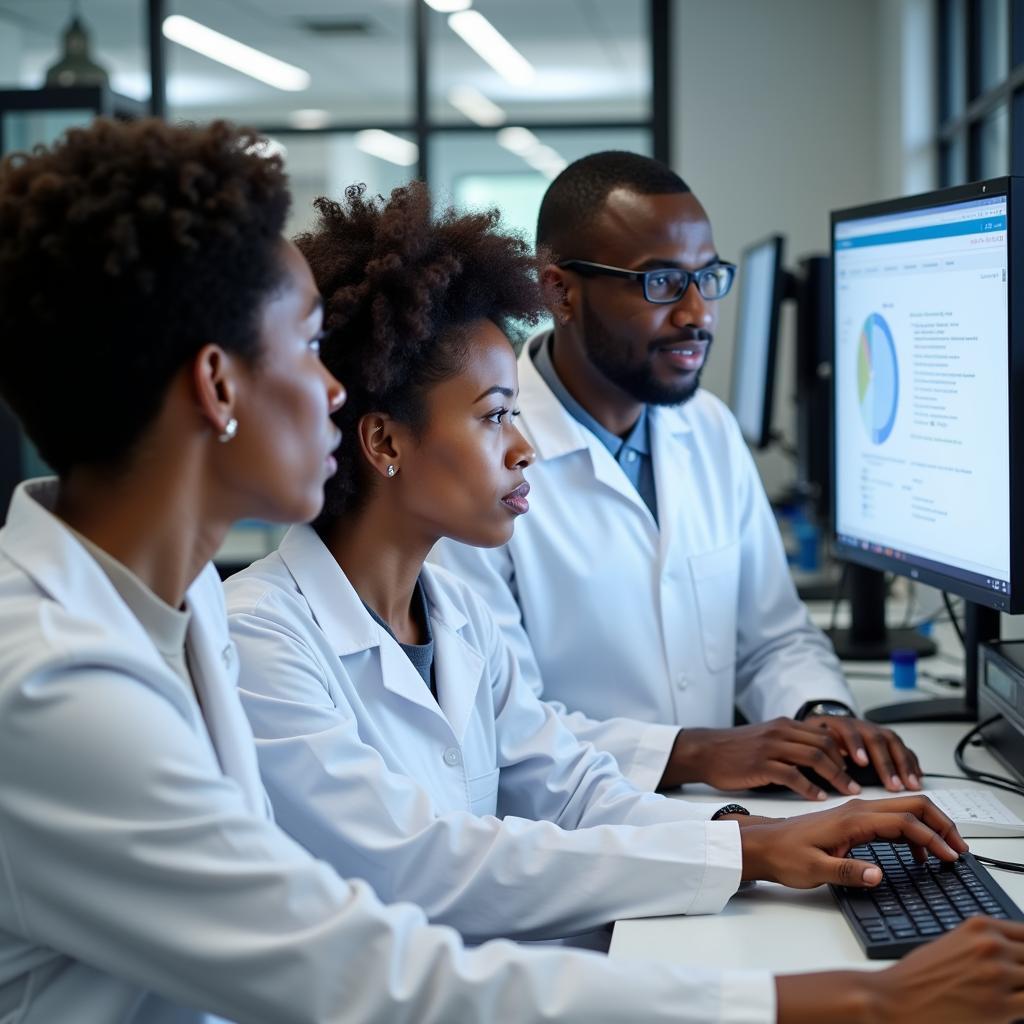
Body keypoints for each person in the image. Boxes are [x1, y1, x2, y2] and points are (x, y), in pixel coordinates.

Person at [1, 120, 1021, 1024]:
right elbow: (364, 955)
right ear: (217, 383)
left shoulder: (178, 618)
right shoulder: (58, 685)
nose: (332, 388)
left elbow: (551, 777)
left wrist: (752, 844)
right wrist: (846, 997)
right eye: (311, 348)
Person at [431, 150, 920, 799]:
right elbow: (505, 724)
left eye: (707, 276)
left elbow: (772, 639)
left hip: (720, 827)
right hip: (575, 842)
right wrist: (695, 753)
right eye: (660, 282)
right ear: (560, 292)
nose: (698, 313)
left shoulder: (708, 429)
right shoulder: (480, 454)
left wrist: (821, 719)